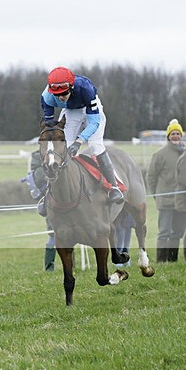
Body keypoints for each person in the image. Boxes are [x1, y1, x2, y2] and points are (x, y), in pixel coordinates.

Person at [40, 67, 124, 207]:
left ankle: (114, 187)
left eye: (64, 93)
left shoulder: (86, 88)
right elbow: (50, 127)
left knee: (95, 146)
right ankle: (48, 193)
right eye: (57, 95)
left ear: (71, 87)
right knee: (62, 147)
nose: (61, 97)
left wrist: (79, 141)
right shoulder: (47, 97)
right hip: (71, 111)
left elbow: (94, 123)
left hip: (90, 109)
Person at [146, 119, 186, 262]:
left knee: (178, 232)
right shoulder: (159, 154)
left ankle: (172, 259)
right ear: (168, 136)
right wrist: (158, 196)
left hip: (181, 201)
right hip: (166, 201)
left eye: (178, 133)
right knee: (164, 232)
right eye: (173, 133)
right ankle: (162, 260)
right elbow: (151, 177)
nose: (175, 136)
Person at [24, 149, 56, 270]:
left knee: (57, 236)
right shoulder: (41, 170)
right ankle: (49, 267)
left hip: (52, 206)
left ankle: (55, 267)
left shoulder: (38, 170)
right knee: (54, 236)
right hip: (51, 206)